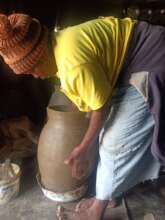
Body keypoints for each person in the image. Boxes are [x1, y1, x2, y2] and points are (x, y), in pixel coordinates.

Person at [0, 13, 165, 220]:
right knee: (105, 131)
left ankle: (98, 209)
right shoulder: (59, 45)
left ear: (42, 53)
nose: (36, 75)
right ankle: (110, 190)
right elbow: (83, 96)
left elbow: (101, 107)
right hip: (128, 61)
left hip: (152, 57)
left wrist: (83, 148)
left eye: (33, 69)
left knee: (114, 141)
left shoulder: (73, 63)